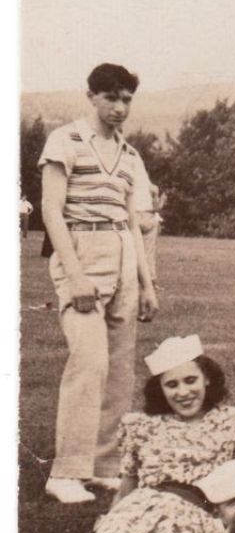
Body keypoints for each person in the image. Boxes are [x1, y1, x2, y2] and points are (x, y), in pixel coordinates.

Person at [18, 336, 235, 533]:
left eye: (191, 380)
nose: (183, 392)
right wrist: (109, 523)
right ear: (160, 389)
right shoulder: (142, 426)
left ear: (207, 379)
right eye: (172, 385)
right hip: (138, 512)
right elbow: (126, 488)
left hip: (193, 519)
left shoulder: (233, 424)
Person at [39, 63, 160, 504]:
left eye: (126, 98)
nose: (119, 107)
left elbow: (133, 222)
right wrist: (76, 275)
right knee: (89, 363)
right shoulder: (65, 140)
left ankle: (104, 466)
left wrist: (147, 284)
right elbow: (52, 211)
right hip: (82, 251)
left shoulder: (129, 154)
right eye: (111, 97)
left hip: (125, 257)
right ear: (91, 96)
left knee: (118, 370)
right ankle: (67, 471)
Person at [134, 176, 162, 285]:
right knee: (149, 251)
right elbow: (156, 208)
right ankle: (150, 279)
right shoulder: (151, 187)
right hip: (149, 216)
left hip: (135, 215)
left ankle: (136, 279)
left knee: (133, 251)